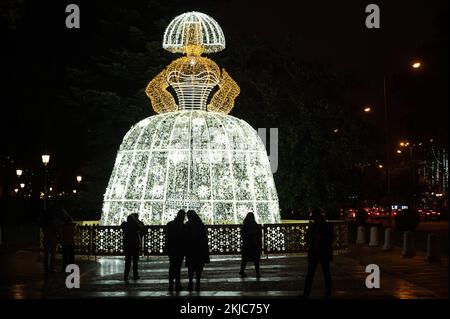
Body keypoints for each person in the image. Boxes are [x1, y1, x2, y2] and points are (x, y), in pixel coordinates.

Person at [300, 209, 334, 300]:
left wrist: (321, 238)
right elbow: (307, 238)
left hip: (323, 253)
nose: (314, 219)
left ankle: (328, 293)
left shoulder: (326, 226)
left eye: (315, 217)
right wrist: (310, 238)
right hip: (314, 253)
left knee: (326, 274)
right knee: (310, 274)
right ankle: (306, 293)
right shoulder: (313, 226)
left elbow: (331, 238)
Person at [184, 210, 210, 291]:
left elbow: (185, 236)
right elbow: (204, 237)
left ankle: (190, 283)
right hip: (199, 249)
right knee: (198, 268)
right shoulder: (200, 224)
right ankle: (198, 284)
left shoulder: (188, 224)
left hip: (190, 249)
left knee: (190, 268)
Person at [166, 210, 186, 292]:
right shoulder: (182, 225)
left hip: (172, 248)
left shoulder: (170, 224)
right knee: (178, 267)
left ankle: (171, 284)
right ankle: (177, 283)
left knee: (172, 266)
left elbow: (167, 237)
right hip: (179, 249)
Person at [121, 214, 144, 281]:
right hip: (135, 244)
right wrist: (137, 221)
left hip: (127, 244)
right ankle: (135, 275)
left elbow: (122, 226)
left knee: (127, 261)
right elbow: (141, 227)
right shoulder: (135, 225)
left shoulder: (124, 224)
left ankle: (126, 276)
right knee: (135, 261)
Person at [240, 212, 262, 278]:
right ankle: (257, 273)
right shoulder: (255, 225)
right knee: (256, 260)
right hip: (254, 245)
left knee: (245, 259)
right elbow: (260, 234)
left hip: (247, 245)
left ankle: (242, 271)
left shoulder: (245, 225)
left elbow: (242, 234)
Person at [41, 210, 59, 274]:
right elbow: (57, 230)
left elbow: (44, 231)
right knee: (53, 254)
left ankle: (46, 268)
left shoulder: (45, 224)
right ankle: (52, 268)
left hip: (46, 239)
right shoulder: (54, 223)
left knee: (46, 254)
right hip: (53, 239)